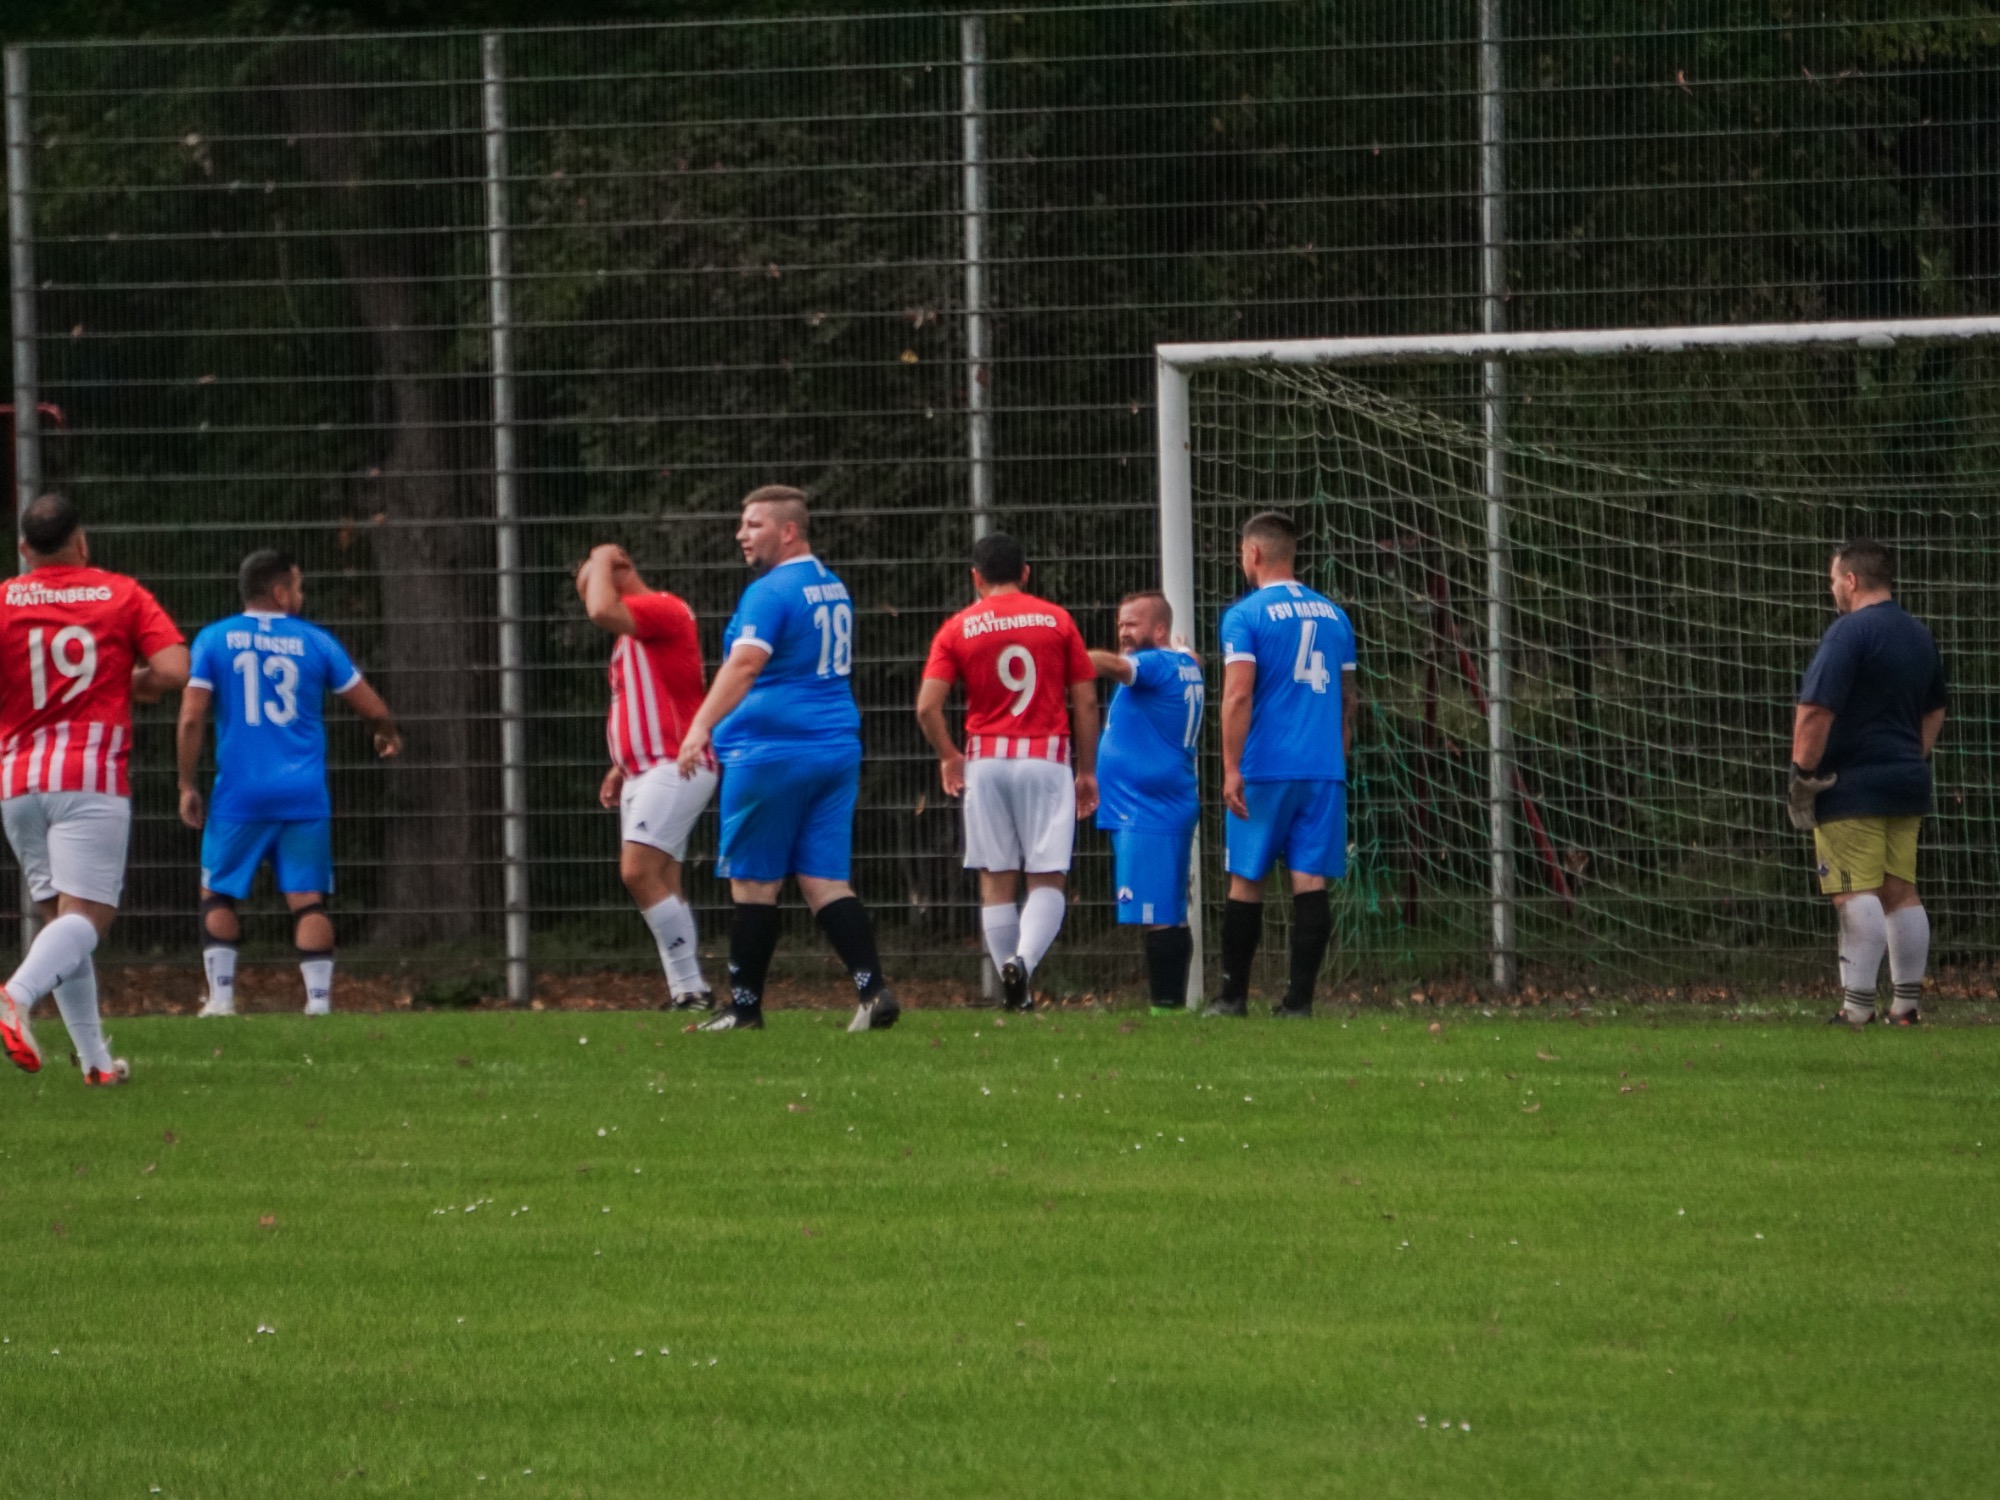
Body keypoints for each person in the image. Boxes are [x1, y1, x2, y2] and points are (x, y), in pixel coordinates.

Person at [674, 486, 899, 1033]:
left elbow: (746, 664)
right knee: (824, 879)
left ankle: (744, 1009)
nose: (741, 535)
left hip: (771, 751)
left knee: (754, 884)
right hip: (834, 747)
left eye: (753, 525)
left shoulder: (770, 591)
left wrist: (701, 724)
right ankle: (873, 991)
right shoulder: (831, 585)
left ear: (788, 530)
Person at [0, 493, 188, 1083]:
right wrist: (129, 680)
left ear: (25, 549)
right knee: (91, 916)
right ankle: (15, 995)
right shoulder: (120, 593)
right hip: (89, 774)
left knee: (62, 920)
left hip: (18, 779)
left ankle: (96, 1063)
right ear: (82, 542)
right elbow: (174, 669)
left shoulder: (4, 600)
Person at [177, 549, 401, 1016]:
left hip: (239, 794)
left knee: (217, 892)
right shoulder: (316, 642)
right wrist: (384, 732)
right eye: (297, 586)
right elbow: (373, 707)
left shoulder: (213, 639)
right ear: (280, 593)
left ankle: (221, 999)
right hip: (303, 794)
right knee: (307, 899)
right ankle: (318, 1002)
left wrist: (185, 783)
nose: (301, 595)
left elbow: (192, 717)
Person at [916, 533, 1099, 1011]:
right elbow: (1085, 701)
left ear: (975, 577)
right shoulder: (1057, 620)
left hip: (986, 762)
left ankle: (1013, 992)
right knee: (1047, 877)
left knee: (996, 877)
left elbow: (927, 707)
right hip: (1045, 759)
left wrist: (949, 755)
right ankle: (1024, 963)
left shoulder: (958, 627)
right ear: (1026, 573)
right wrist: (1087, 770)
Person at [1787, 538, 1947, 1027]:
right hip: (1907, 781)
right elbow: (1935, 709)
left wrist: (1803, 774)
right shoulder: (1918, 634)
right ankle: (1906, 1007)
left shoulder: (1848, 633)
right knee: (1900, 891)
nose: (1832, 589)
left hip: (1851, 785)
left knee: (1852, 892)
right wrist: (1908, 756)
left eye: (1834, 580)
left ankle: (1856, 1009)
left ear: (1851, 581)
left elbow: (1815, 711)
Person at [1212, 511, 1358, 1019]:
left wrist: (1231, 768)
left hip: (1265, 767)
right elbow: (1349, 701)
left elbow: (1238, 695)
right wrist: (1336, 758)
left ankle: (1232, 998)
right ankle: (1298, 1004)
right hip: (1323, 768)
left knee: (1246, 880)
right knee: (1310, 880)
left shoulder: (1244, 616)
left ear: (1253, 553)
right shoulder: (1336, 616)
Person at [578, 542, 716, 1011]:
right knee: (663, 879)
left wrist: (601, 557)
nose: (589, 598)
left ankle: (692, 988)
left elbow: (601, 609)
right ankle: (687, 991)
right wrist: (622, 763)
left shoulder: (662, 608)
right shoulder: (632, 636)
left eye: (594, 584)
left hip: (674, 763)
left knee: (636, 871)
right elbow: (652, 700)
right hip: (645, 769)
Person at [1088, 591, 1203, 1015]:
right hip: (1154, 806)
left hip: (1149, 810)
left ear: (1159, 629)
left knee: (1160, 914)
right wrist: (1185, 651)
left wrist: (1071, 656)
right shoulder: (1182, 662)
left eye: (1132, 625)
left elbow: (1117, 667)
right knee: (1167, 908)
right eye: (1120, 624)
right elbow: (1193, 660)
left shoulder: (1152, 664)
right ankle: (1169, 1007)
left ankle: (1166, 1009)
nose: (1123, 632)